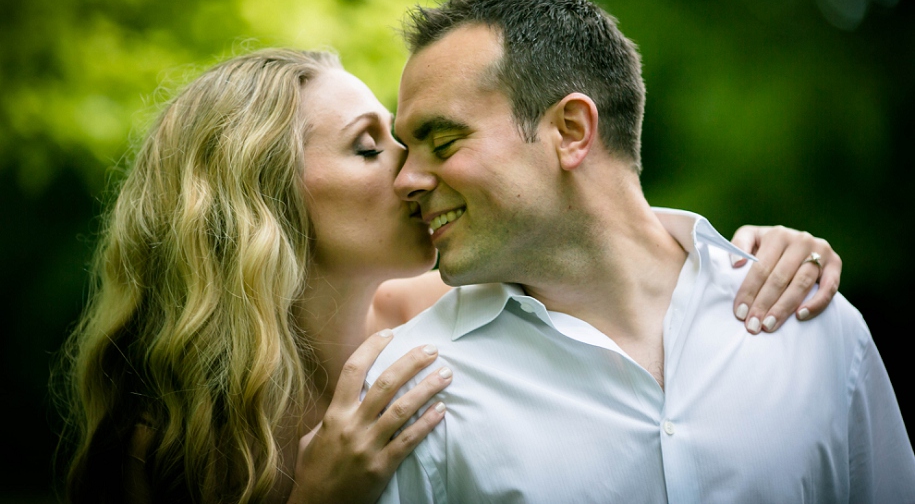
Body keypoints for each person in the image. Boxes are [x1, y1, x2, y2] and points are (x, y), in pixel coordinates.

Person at [56, 47, 842, 504]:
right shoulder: (163, 441)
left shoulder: (451, 319)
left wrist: (745, 249)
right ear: (260, 200)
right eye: (372, 148)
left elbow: (601, 245)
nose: (417, 174)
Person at [368, 0, 915, 503]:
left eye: (442, 141)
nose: (405, 181)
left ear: (571, 131)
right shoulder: (410, 387)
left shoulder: (813, 323)